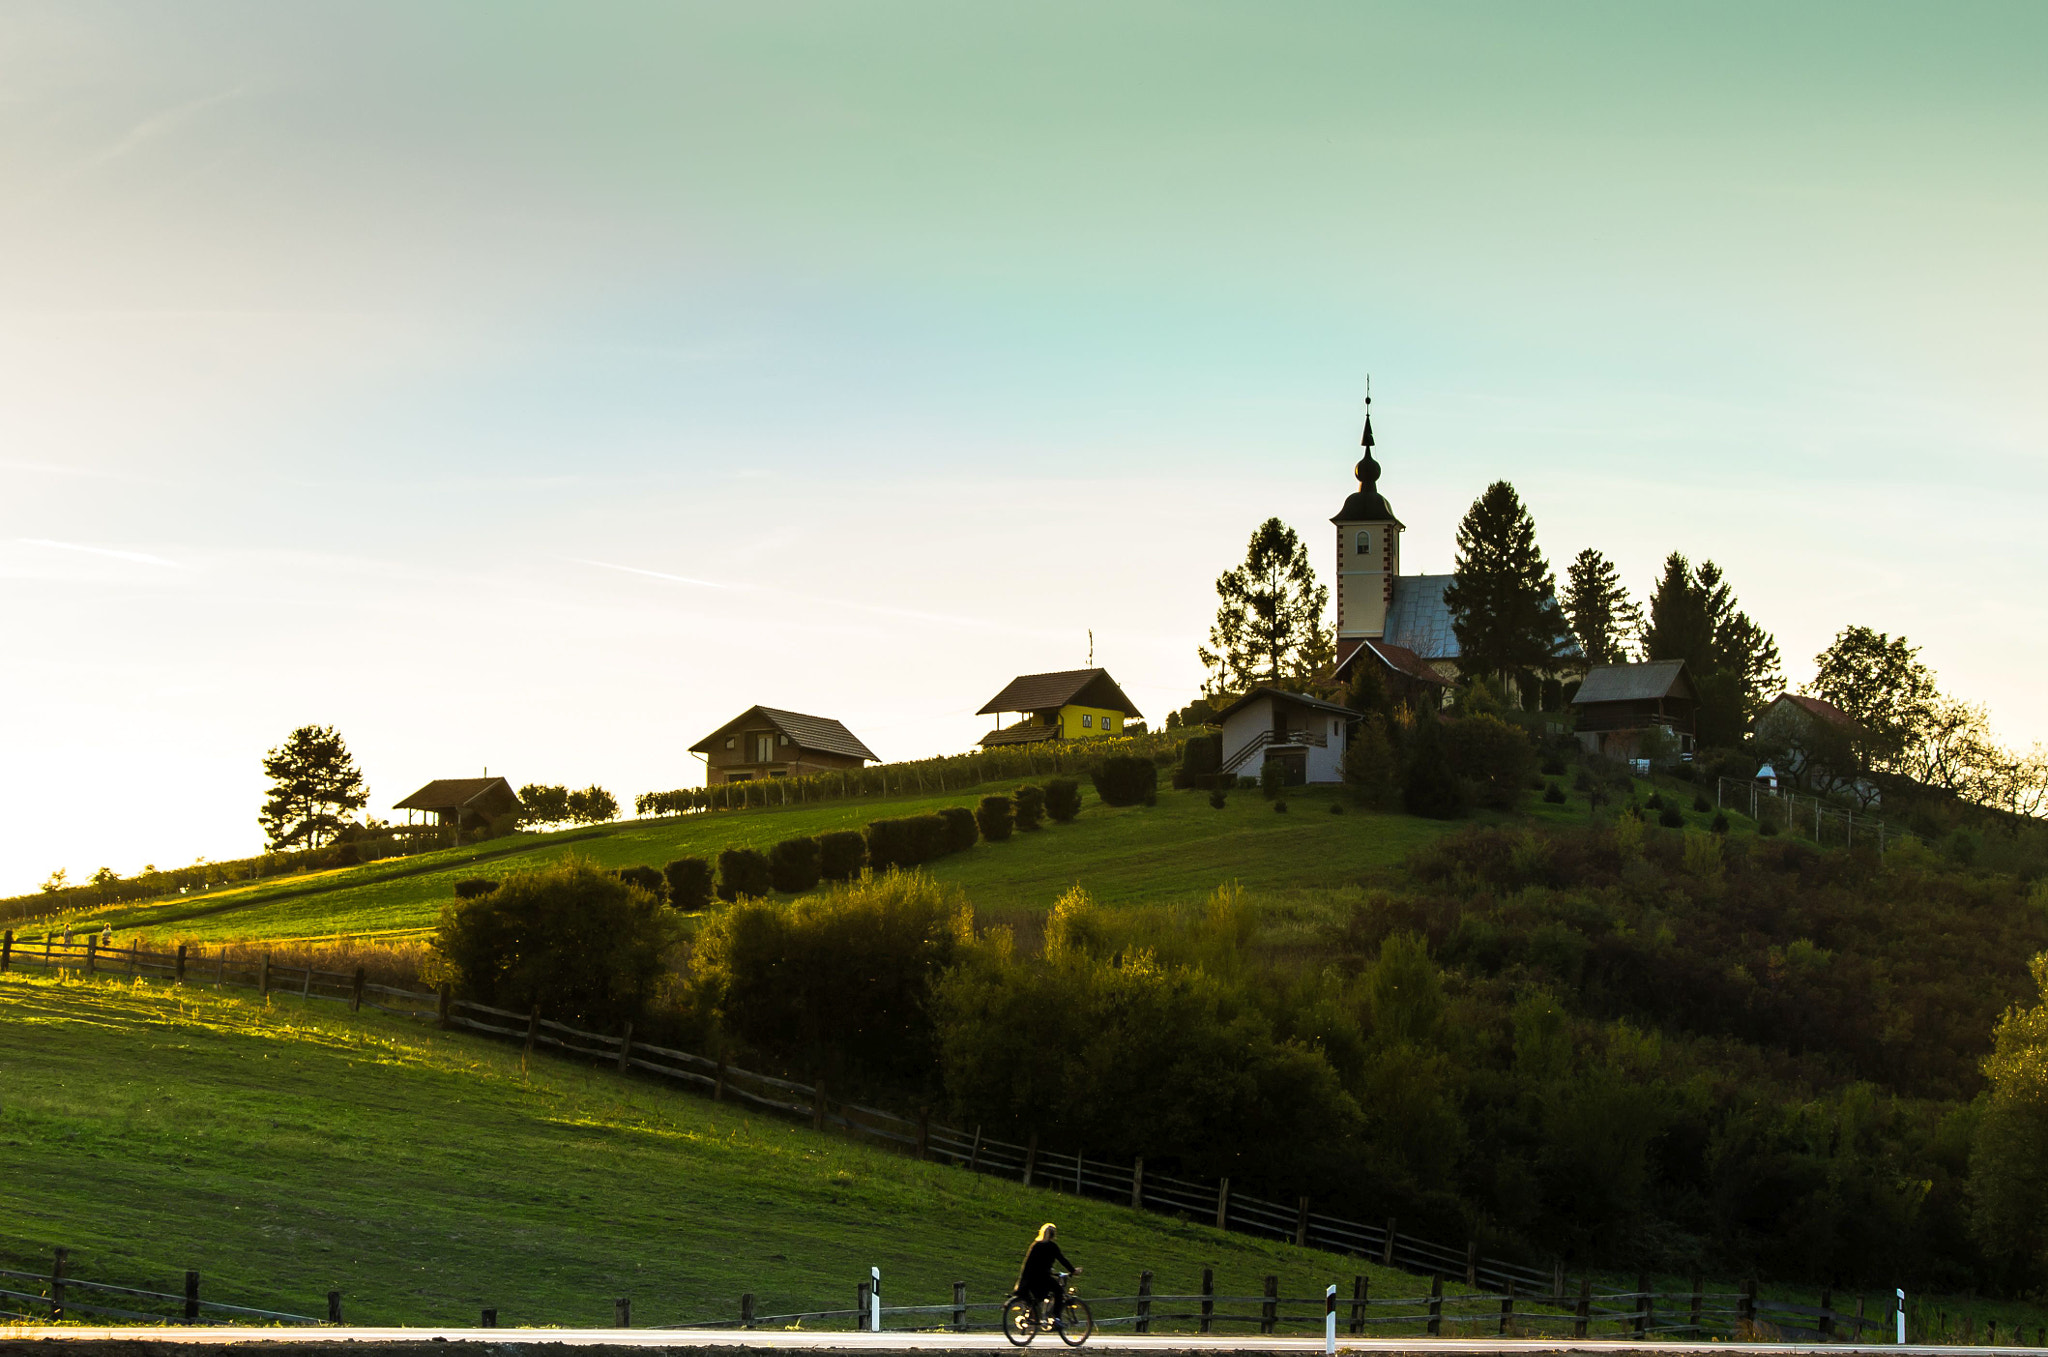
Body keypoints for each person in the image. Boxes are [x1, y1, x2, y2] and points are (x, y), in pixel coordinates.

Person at [1014, 1223, 1079, 1317]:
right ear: (1053, 1235)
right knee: (1059, 1291)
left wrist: (1022, 1280)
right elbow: (1062, 1260)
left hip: (1031, 1279)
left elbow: (1027, 1263)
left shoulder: (1035, 1245)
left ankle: (1036, 1316)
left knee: (1039, 1297)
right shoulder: (1052, 1246)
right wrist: (1073, 1271)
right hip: (1043, 1277)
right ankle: (1057, 1317)